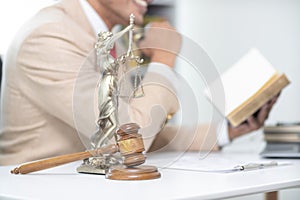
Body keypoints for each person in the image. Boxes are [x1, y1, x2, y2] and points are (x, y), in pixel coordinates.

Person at [0, 0, 277, 165]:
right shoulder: (50, 36)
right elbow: (131, 140)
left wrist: (226, 131)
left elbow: (142, 128)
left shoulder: (114, 44)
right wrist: (163, 59)